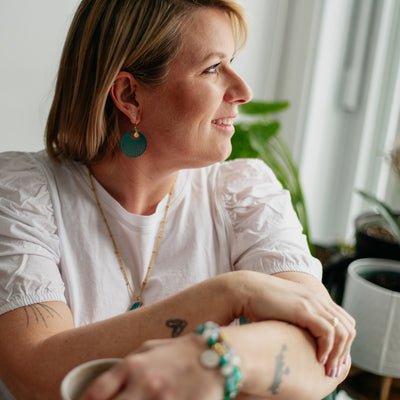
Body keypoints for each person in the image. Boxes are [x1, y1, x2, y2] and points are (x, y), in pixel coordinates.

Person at [0, 0, 355, 399]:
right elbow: (33, 373)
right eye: (213, 68)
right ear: (129, 95)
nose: (242, 91)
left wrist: (213, 355)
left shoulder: (246, 194)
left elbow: (325, 357)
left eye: (232, 62)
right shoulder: (20, 195)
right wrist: (229, 294)